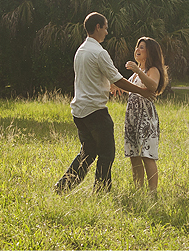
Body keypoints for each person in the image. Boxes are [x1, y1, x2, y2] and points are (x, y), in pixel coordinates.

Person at [54, 12, 156, 194]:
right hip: (95, 112)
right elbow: (119, 80)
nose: (107, 32)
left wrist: (108, 84)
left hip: (79, 111)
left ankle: (63, 187)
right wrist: (142, 92)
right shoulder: (99, 53)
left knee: (88, 153)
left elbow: (93, 77)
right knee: (107, 153)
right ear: (98, 27)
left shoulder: (81, 51)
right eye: (106, 27)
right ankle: (101, 192)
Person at [113, 36, 168, 192]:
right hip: (132, 118)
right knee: (134, 155)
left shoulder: (152, 70)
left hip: (145, 118)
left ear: (150, 52)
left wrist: (137, 70)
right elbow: (129, 87)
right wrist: (116, 85)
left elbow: (152, 86)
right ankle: (138, 190)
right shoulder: (138, 72)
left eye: (142, 47)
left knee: (147, 155)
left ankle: (152, 193)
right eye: (137, 46)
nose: (137, 49)